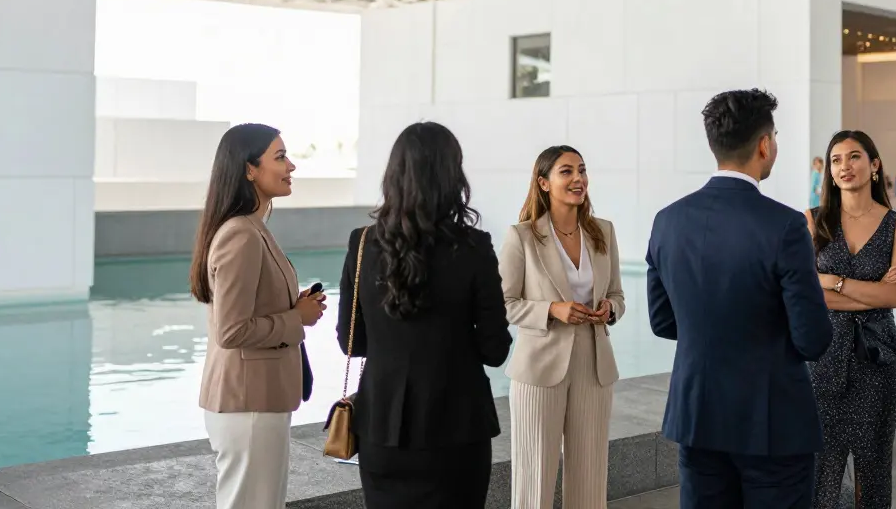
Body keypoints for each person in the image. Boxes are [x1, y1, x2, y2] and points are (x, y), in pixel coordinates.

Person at [646, 89, 832, 509]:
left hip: (697, 417)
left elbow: (662, 321)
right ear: (764, 145)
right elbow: (813, 339)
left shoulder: (667, 221)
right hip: (772, 424)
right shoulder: (785, 226)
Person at [336, 122, 512, 509]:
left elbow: (352, 341)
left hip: (381, 425)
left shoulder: (362, 243)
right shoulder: (474, 247)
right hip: (458, 425)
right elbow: (495, 349)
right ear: (453, 176)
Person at [191, 123, 327, 509]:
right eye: (280, 157)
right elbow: (231, 331)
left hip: (257, 399)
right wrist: (296, 318)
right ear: (249, 168)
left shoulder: (252, 229)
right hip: (246, 403)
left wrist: (293, 306)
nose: (291, 167)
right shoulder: (242, 234)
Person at [501, 145, 626, 509]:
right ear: (543, 183)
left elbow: (617, 293)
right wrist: (552, 309)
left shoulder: (603, 232)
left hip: (595, 364)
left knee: (590, 475)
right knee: (533, 478)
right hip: (539, 367)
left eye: (582, 170)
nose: (578, 179)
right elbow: (504, 304)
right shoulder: (522, 236)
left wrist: (609, 309)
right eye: (566, 172)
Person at [805, 130, 896, 509]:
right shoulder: (812, 222)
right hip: (821, 363)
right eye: (836, 160)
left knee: (874, 474)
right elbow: (804, 297)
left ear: (874, 165)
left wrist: (832, 282)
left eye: (854, 157)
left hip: (879, 365)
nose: (844, 166)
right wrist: (870, 293)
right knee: (820, 477)